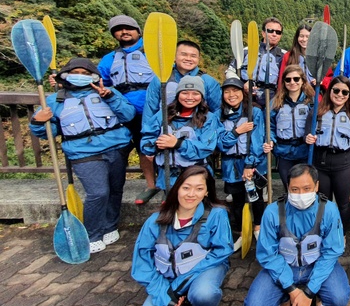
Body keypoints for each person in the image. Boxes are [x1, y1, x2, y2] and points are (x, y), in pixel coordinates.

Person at [30, 58, 136, 254]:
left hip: (116, 147)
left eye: (86, 73)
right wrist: (38, 121)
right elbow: (48, 131)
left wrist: (110, 96)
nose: (81, 76)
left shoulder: (108, 93)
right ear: (66, 75)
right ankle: (93, 234)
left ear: (94, 76)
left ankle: (110, 226)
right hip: (83, 152)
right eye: (76, 72)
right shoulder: (55, 100)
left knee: (115, 189)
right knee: (98, 192)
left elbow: (128, 115)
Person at [129, 166, 233, 306]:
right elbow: (142, 265)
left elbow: (222, 251)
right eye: (186, 188)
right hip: (165, 282)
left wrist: (178, 286)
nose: (192, 194)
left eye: (199, 189)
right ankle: (178, 302)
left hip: (203, 272)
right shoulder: (154, 221)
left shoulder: (217, 215)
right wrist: (164, 293)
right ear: (177, 188)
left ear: (207, 191)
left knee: (204, 293)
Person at [243, 164, 350, 306]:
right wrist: (293, 291)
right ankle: (286, 299)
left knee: (339, 298)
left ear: (317, 186)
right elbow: (268, 255)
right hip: (284, 266)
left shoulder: (329, 210)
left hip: (316, 265)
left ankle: (317, 296)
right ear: (287, 187)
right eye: (295, 189)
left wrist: (309, 292)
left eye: (307, 188)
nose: (301, 194)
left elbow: (332, 252)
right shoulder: (272, 212)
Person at [97, 15, 159, 205]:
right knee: (141, 149)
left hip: (154, 109)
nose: (124, 32)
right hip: (124, 112)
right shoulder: (109, 60)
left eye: (128, 28)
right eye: (119, 29)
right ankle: (151, 185)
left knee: (164, 146)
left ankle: (169, 185)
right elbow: (99, 83)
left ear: (138, 31)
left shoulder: (153, 52)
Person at [305, 75, 350, 235]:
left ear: (349, 95)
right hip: (321, 162)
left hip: (344, 163)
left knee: (344, 203)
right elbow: (306, 133)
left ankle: (341, 234)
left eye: (345, 92)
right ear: (329, 91)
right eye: (336, 90)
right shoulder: (316, 112)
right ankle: (323, 232)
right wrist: (307, 138)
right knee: (323, 202)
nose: (340, 95)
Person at [140, 76, 219, 191]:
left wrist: (177, 143)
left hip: (195, 175)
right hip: (167, 176)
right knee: (170, 208)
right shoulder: (163, 114)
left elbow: (206, 148)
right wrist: (156, 145)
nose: (190, 97)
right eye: (185, 93)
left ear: (202, 96)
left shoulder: (209, 118)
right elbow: (147, 140)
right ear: (178, 94)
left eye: (195, 93)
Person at [217, 78, 267, 249]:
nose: (232, 95)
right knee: (237, 201)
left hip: (252, 165)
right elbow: (221, 143)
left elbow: (258, 140)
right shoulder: (220, 115)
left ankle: (258, 227)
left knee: (256, 198)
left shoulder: (254, 113)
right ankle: (240, 232)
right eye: (227, 92)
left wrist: (249, 165)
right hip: (231, 166)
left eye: (235, 91)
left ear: (243, 93)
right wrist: (237, 131)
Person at [143, 39, 222, 121]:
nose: (188, 58)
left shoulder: (208, 81)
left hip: (198, 129)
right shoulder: (160, 79)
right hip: (165, 128)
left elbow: (217, 109)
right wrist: (149, 132)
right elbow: (150, 109)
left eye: (193, 56)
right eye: (184, 54)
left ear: (198, 59)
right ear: (174, 57)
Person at [263, 65, 314, 191]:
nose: (292, 82)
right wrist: (271, 140)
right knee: (290, 188)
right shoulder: (275, 103)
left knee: (305, 187)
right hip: (284, 152)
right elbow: (270, 126)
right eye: (288, 79)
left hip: (305, 152)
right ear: (284, 82)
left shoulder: (311, 102)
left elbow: (318, 124)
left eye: (296, 79)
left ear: (302, 81)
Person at [238, 17, 286, 108]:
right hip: (245, 97)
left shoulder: (284, 56)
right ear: (263, 33)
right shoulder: (246, 51)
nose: (274, 34)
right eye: (270, 31)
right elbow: (231, 71)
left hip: (271, 100)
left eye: (278, 32)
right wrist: (243, 85)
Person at [278, 23, 314, 88]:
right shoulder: (289, 56)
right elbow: (282, 79)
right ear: (297, 37)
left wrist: (322, 81)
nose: (304, 39)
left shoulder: (319, 57)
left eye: (308, 37)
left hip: (315, 95)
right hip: (293, 94)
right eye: (301, 36)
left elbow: (329, 77)